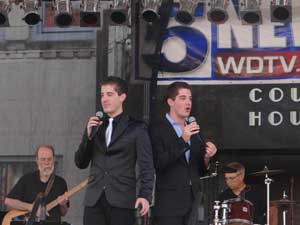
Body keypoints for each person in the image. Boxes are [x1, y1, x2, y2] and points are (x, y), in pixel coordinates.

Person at [75, 76, 154, 225]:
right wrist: (88, 137)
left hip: (122, 200)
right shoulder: (95, 127)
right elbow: (80, 162)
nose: (104, 99)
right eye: (102, 95)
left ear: (122, 97)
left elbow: (147, 166)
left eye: (109, 94)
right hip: (94, 200)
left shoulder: (137, 128)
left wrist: (145, 195)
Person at [149, 81, 217, 225]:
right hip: (169, 204)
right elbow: (158, 163)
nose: (188, 102)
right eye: (182, 98)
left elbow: (199, 169)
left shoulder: (193, 129)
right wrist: (183, 140)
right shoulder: (157, 128)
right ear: (170, 102)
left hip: (194, 202)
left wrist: (207, 157)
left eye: (190, 98)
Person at [5, 144, 69, 222]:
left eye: (49, 159)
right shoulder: (27, 179)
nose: (46, 162)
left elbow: (64, 213)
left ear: (54, 159)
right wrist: (32, 208)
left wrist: (63, 205)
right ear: (37, 160)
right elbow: (8, 201)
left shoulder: (61, 183)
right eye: (43, 159)